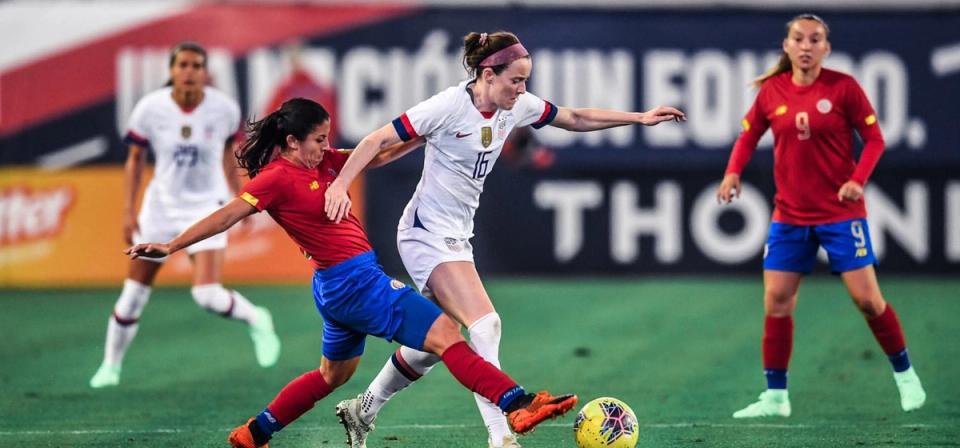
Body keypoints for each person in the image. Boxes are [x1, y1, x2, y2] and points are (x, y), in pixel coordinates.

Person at [123, 97, 579, 448]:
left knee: (331, 376)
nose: (326, 146)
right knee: (447, 335)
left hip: (334, 287)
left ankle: (254, 433)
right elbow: (227, 216)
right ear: (291, 142)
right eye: (318, 139)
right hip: (355, 283)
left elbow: (375, 156)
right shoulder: (276, 179)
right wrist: (172, 245)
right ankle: (517, 404)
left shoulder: (323, 162)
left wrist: (426, 134)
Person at [323, 31, 685, 448]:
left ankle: (363, 409)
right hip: (425, 234)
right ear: (487, 74)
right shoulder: (448, 106)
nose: (522, 89)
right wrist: (340, 185)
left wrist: (639, 117)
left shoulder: (515, 106)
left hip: (457, 236)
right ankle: (501, 437)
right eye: (516, 80)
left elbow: (575, 118)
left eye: (525, 80)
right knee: (486, 325)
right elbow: (377, 140)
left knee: (436, 342)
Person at [715, 14, 926, 418]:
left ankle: (905, 375)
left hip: (840, 214)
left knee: (868, 300)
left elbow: (875, 139)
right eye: (799, 39)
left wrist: (858, 180)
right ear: (787, 45)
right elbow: (748, 135)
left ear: (826, 48)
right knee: (777, 301)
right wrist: (732, 172)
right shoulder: (772, 91)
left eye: (815, 40)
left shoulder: (843, 88)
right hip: (789, 215)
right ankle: (776, 397)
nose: (806, 46)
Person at [89, 42, 281, 389]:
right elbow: (135, 160)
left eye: (196, 65)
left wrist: (239, 197)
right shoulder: (150, 108)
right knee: (133, 295)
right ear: (172, 70)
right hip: (160, 208)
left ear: (205, 72)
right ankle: (110, 366)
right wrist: (129, 211)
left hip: (206, 205)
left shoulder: (223, 108)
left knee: (206, 295)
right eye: (183, 65)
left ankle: (257, 318)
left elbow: (229, 155)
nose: (189, 71)